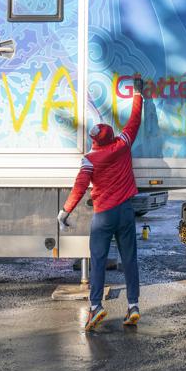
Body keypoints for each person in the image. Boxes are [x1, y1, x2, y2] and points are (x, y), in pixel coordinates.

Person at [58, 77, 144, 331]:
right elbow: (134, 121)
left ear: (95, 140)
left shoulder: (90, 160)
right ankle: (133, 306)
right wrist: (138, 94)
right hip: (126, 211)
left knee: (98, 260)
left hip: (104, 215)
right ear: (111, 136)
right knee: (130, 259)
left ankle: (96, 307)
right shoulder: (122, 145)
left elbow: (79, 187)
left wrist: (65, 212)